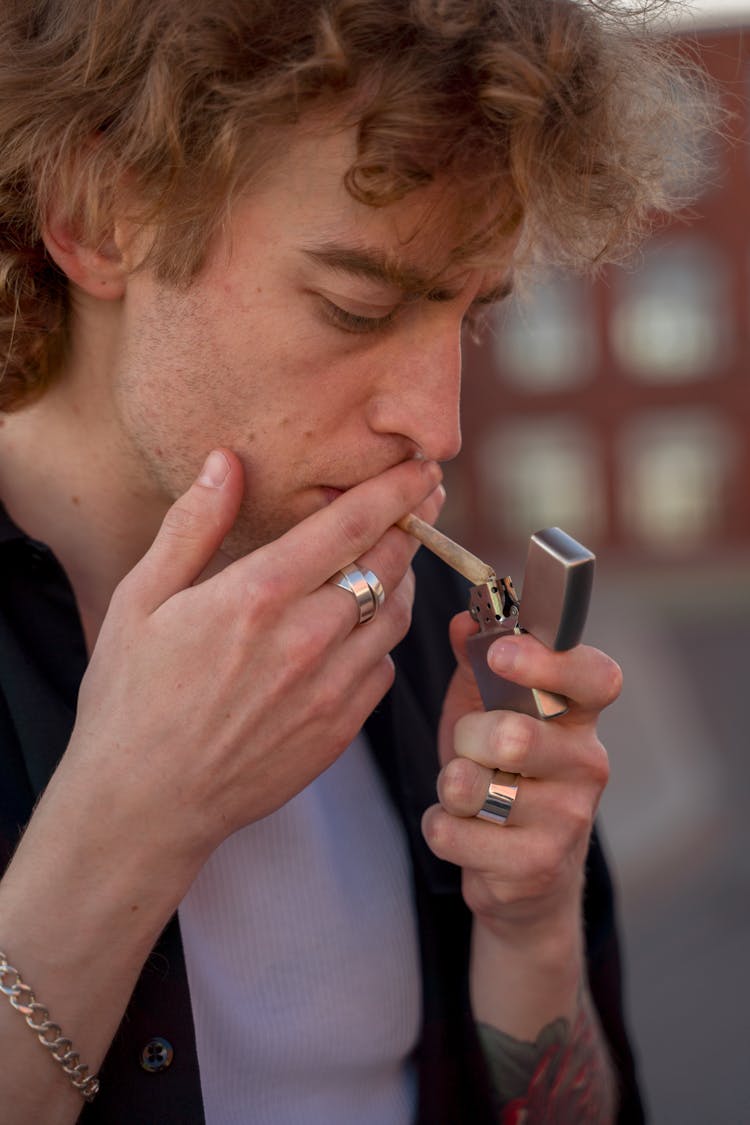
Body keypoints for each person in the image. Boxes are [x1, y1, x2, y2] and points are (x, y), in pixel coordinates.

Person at [0, 1, 708, 1121]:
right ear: (94, 217)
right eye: (355, 306)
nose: (437, 425)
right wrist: (128, 828)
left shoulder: (424, 623)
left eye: (469, 318)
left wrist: (530, 932)